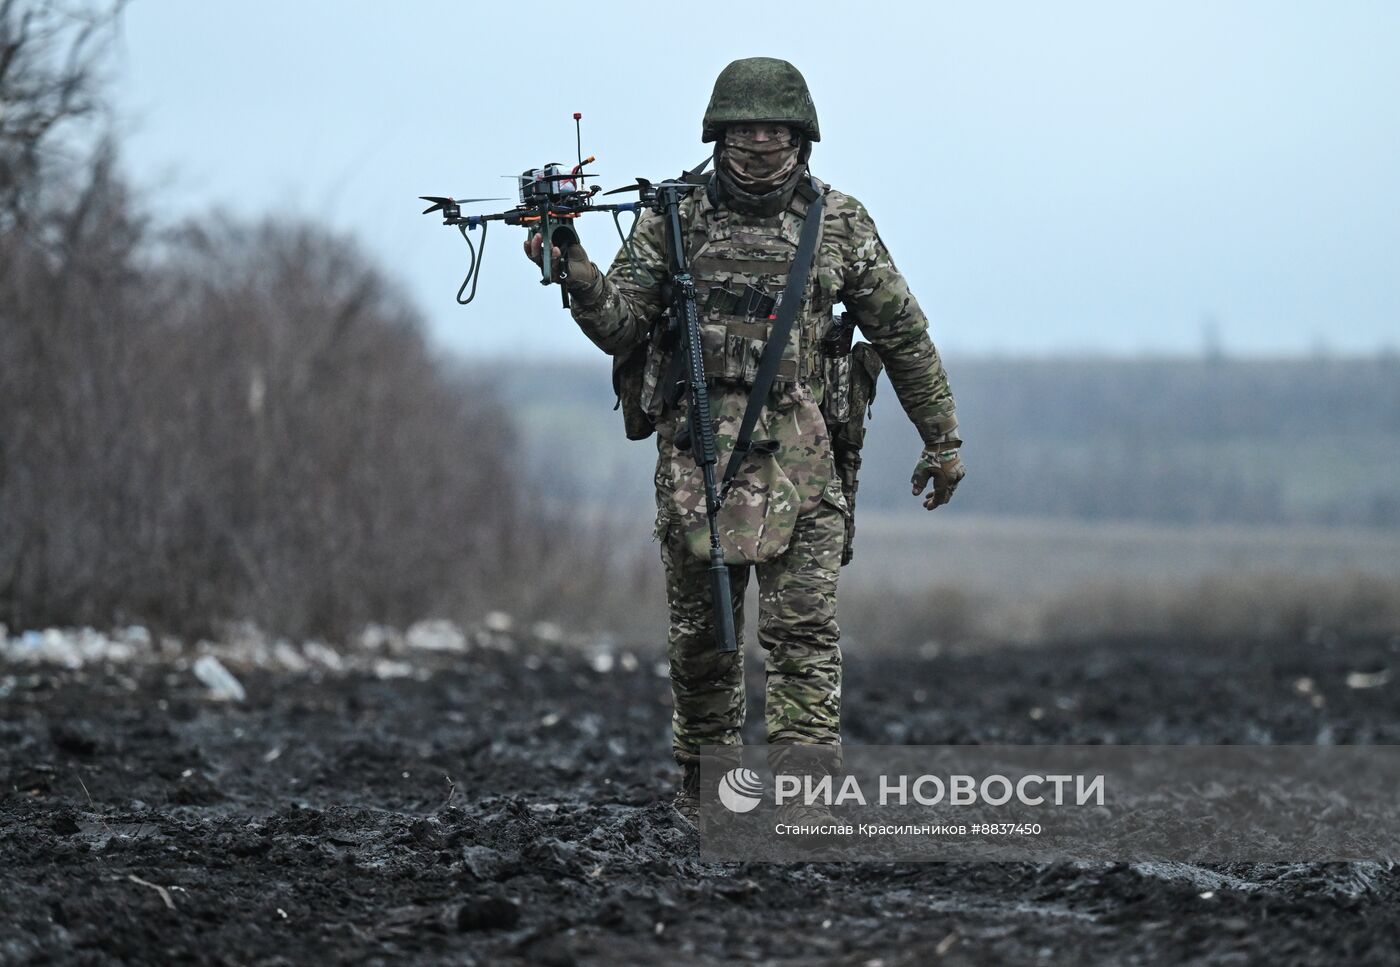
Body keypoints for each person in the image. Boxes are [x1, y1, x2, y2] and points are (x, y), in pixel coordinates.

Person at [525, 57, 963, 827]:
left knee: (802, 637)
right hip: (699, 462)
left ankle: (806, 808)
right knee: (702, 648)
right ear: (717, 133)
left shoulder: (840, 223)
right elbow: (623, 324)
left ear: (802, 135)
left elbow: (904, 334)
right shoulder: (676, 216)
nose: (759, 142)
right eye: (743, 128)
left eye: (774, 128)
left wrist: (943, 439)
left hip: (805, 463)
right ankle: (709, 805)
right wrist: (579, 274)